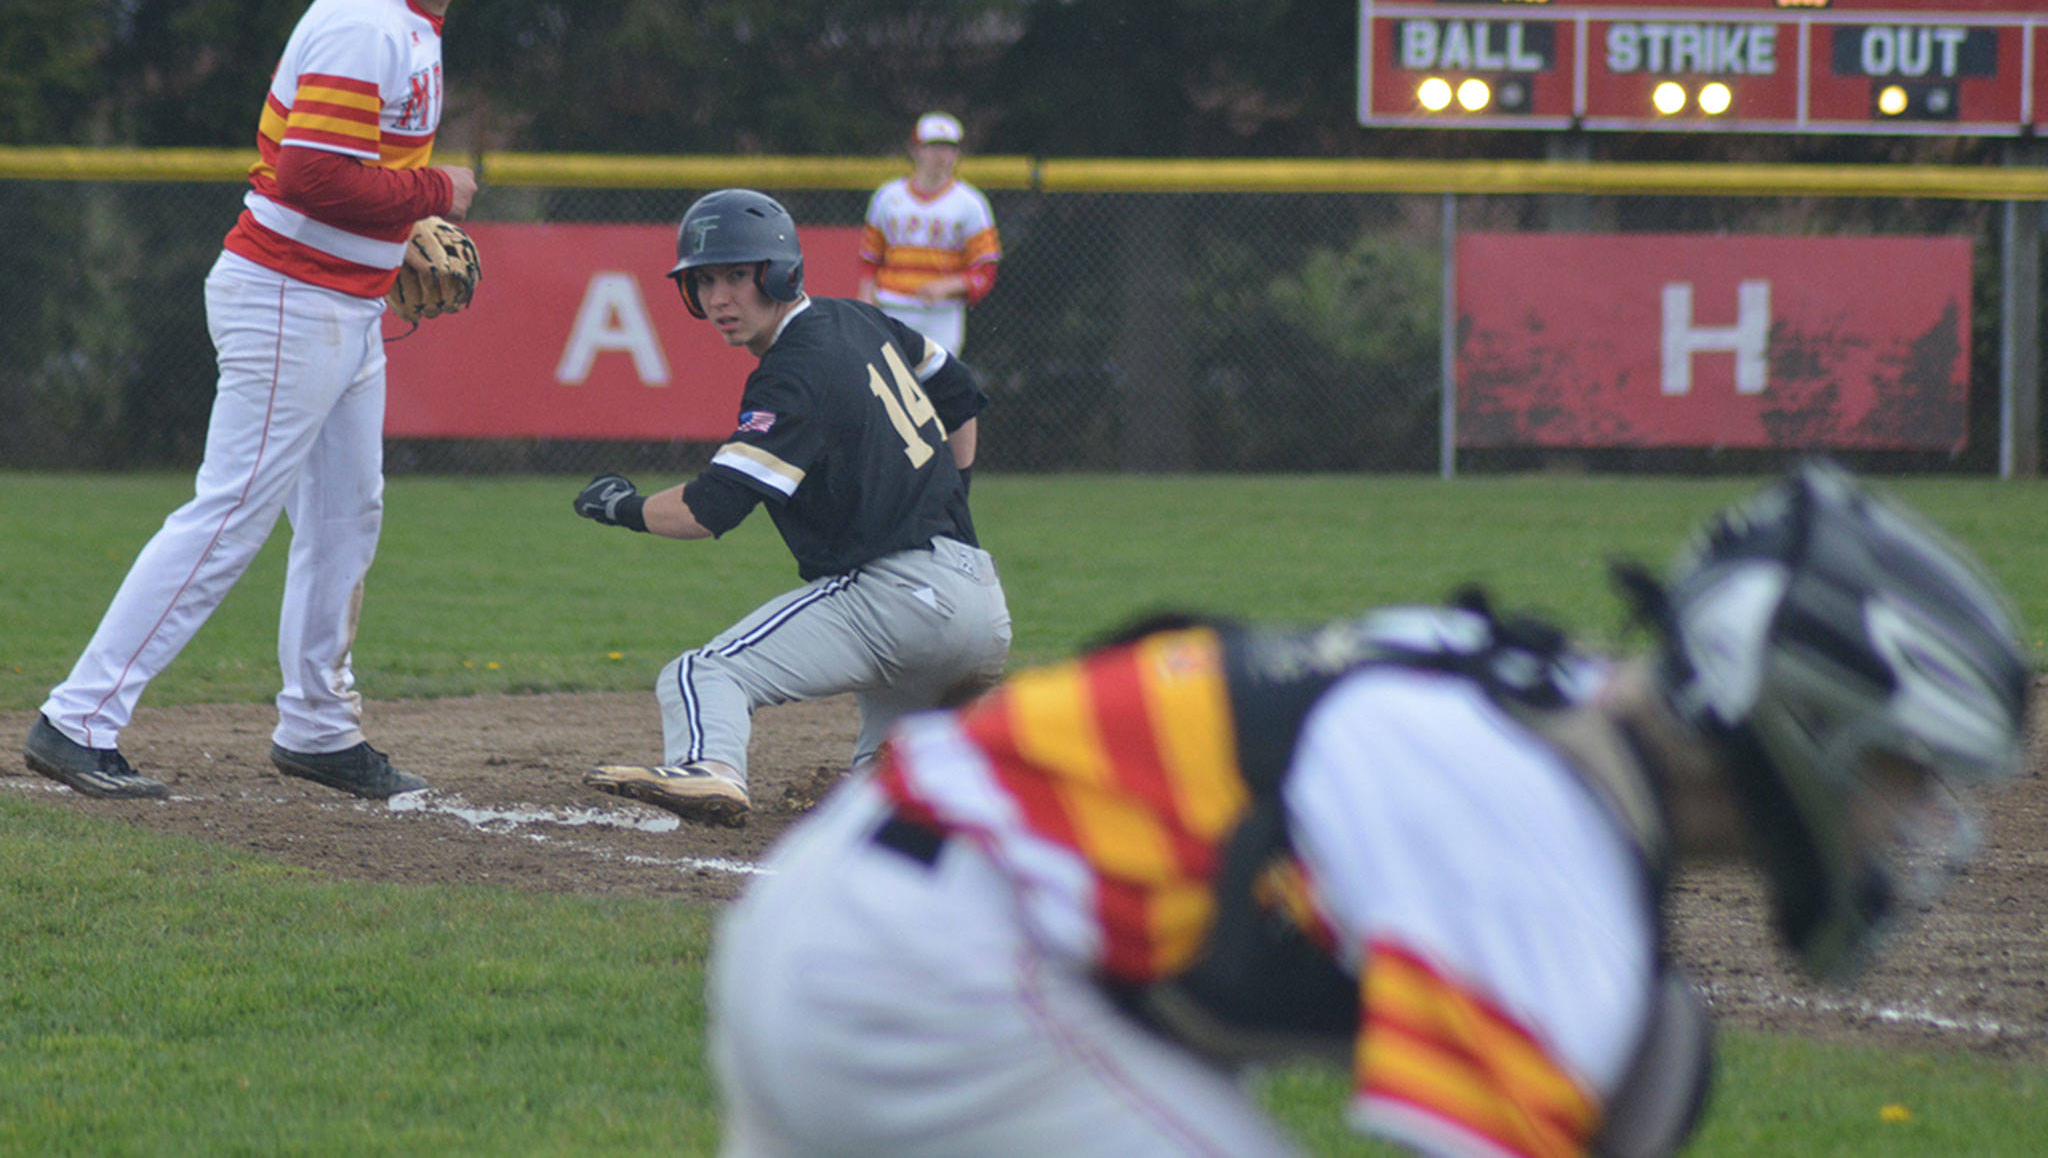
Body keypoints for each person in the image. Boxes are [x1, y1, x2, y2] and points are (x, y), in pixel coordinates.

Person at [707, 460, 2032, 1157]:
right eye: (1902, 770)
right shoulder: (1543, 848)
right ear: (1791, 715)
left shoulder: (1549, 697)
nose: (1914, 818)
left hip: (879, 905)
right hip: (940, 979)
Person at [22, 0, 510, 801]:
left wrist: (401, 214)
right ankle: (78, 718)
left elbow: (340, 175)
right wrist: (436, 190)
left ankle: (318, 727)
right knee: (231, 513)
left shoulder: (412, 19)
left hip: (345, 303)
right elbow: (312, 178)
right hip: (291, 296)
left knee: (345, 515)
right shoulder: (365, 24)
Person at [573, 188, 1011, 827]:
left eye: (736, 276)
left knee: (702, 675)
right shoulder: (858, 319)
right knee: (878, 807)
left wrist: (623, 506)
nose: (719, 298)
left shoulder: (792, 372)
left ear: (778, 273)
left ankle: (710, 766)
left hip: (896, 601)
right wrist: (951, 499)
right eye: (704, 281)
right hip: (982, 604)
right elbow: (961, 394)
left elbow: (708, 510)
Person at [856, 111, 1002, 356]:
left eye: (949, 148)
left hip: (940, 315)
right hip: (892, 308)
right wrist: (865, 308)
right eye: (933, 147)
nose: (941, 155)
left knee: (936, 389)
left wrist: (949, 285)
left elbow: (985, 271)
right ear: (916, 150)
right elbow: (871, 261)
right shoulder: (888, 197)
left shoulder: (971, 204)